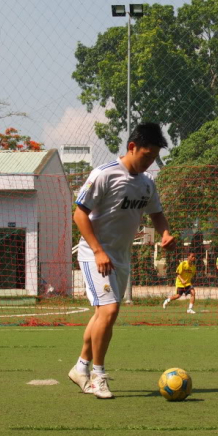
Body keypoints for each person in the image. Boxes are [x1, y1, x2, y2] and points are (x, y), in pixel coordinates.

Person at [68, 123, 175, 399]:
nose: (150, 162)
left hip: (121, 257)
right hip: (95, 254)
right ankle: (98, 376)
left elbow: (157, 213)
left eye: (154, 158)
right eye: (147, 156)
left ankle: (80, 367)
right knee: (110, 310)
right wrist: (99, 251)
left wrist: (165, 232)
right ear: (132, 147)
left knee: (103, 314)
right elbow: (79, 215)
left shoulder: (147, 183)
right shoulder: (103, 175)